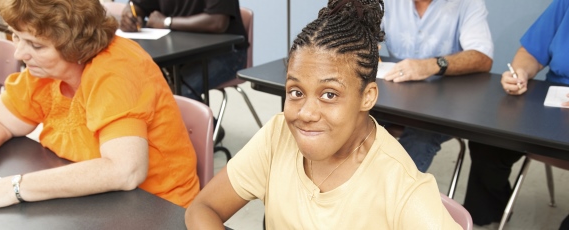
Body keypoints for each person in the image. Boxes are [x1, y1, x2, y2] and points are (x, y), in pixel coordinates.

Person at [184, 0, 461, 229]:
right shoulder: (277, 135)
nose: (305, 113)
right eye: (295, 92)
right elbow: (203, 207)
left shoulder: (400, 185)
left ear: (368, 96)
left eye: (329, 94)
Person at [0, 0, 199, 209]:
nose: (19, 53)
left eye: (36, 45)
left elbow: (124, 170)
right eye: (16, 36)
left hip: (156, 207)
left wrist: (16, 188)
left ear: (75, 44)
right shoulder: (45, 70)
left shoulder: (116, 71)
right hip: (92, 203)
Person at [463, 0, 569, 227]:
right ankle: (492, 213)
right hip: (551, 105)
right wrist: (521, 71)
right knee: (488, 144)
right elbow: (531, 52)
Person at [374, 0, 494, 172]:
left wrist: (433, 64)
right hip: (393, 96)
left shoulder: (468, 3)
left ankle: (393, 195)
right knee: (356, 121)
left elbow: (482, 56)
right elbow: (358, 30)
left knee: (420, 137)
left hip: (443, 105)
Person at [119, 0, 249, 101]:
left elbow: (218, 22)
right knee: (141, 84)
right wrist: (129, 16)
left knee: (179, 93)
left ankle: (205, 129)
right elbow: (137, 5)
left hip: (225, 53)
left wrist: (166, 22)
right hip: (177, 51)